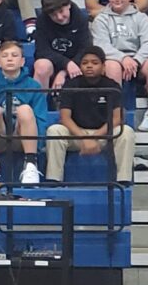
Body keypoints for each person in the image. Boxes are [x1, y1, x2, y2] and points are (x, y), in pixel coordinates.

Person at [45, 46, 134, 183]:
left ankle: (123, 181)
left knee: (126, 132)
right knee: (54, 130)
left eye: (94, 63)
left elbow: (117, 118)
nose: (89, 66)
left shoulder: (112, 86)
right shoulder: (71, 85)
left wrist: (95, 136)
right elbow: (65, 118)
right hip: (77, 135)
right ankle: (53, 179)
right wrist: (84, 137)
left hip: (103, 135)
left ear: (104, 67)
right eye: (85, 63)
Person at [92, 0, 148, 132]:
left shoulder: (141, 18)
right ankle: (116, 112)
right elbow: (101, 45)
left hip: (137, 60)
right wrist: (123, 58)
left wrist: (136, 60)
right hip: (114, 59)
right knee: (112, 67)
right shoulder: (101, 19)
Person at [0, 42, 46, 188]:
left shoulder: (34, 86)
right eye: (5, 56)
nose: (10, 59)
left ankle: (31, 164)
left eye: (14, 55)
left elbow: (41, 119)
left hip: (23, 138)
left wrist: (38, 146)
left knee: (25, 109)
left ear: (23, 61)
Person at [32, 0, 91, 89]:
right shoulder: (42, 20)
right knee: (41, 66)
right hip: (53, 62)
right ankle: (39, 103)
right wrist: (66, 63)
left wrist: (64, 72)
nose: (59, 17)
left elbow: (85, 49)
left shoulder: (81, 18)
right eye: (53, 15)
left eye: (61, 11)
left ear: (68, 5)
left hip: (76, 62)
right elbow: (42, 50)